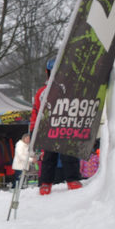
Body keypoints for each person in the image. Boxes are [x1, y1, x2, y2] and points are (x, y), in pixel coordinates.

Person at [33, 60, 82, 195]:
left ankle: (72, 179)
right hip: (49, 129)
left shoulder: (70, 89)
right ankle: (46, 183)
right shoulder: (42, 92)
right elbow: (36, 112)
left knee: (69, 154)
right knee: (49, 156)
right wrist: (33, 130)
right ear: (48, 73)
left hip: (66, 126)